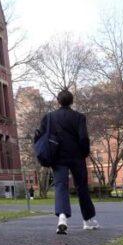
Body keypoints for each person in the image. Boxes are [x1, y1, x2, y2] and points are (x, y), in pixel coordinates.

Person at [35, 88, 99, 235]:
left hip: (57, 157)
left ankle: (62, 218)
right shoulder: (79, 117)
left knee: (60, 186)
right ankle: (88, 220)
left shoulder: (49, 117)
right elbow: (83, 138)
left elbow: (41, 135)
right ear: (72, 101)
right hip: (76, 156)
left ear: (58, 101)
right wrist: (84, 153)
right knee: (82, 187)